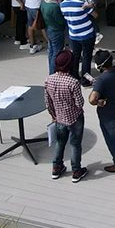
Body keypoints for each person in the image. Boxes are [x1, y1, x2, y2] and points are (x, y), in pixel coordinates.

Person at [45, 49, 87, 183]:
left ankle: (56, 168)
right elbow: (80, 103)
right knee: (75, 145)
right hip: (75, 118)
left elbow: (48, 102)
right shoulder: (73, 82)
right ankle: (76, 171)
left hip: (59, 118)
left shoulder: (49, 80)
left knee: (60, 142)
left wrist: (54, 115)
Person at [88, 49, 115, 173]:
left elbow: (92, 99)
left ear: (99, 66)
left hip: (107, 115)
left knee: (111, 138)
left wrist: (98, 101)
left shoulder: (101, 80)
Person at [60, 0, 98, 86]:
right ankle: (85, 80)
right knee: (87, 56)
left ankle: (74, 76)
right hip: (87, 34)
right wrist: (90, 7)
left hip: (73, 35)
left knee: (75, 56)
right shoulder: (81, 4)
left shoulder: (62, 5)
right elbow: (95, 15)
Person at [40, 0, 68, 75]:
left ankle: (51, 71)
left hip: (49, 29)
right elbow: (60, 20)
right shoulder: (54, 7)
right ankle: (53, 73)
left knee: (51, 51)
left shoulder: (44, 3)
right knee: (57, 52)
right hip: (57, 31)